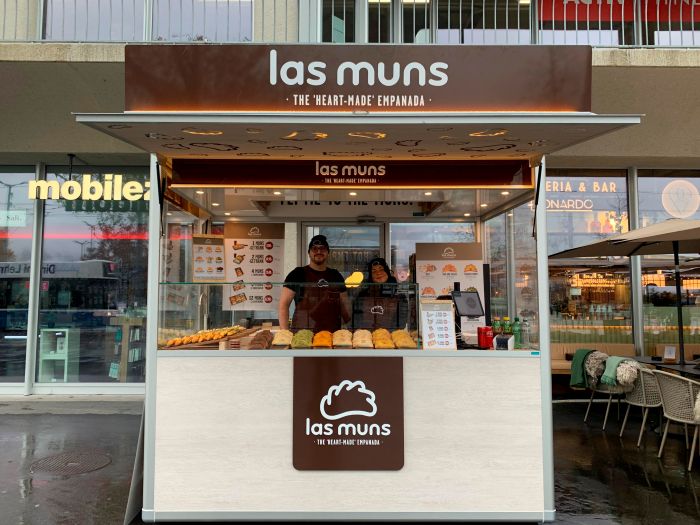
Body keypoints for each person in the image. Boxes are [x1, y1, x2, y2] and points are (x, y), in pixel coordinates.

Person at [278, 235, 351, 331]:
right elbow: (283, 305)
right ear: (309, 253)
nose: (319, 251)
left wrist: (347, 326)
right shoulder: (297, 273)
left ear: (328, 253)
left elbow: (345, 306)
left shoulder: (335, 275)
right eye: (314, 249)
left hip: (331, 334)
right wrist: (284, 332)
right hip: (302, 334)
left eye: (322, 249)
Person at [352, 257, 407, 330]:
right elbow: (356, 320)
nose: (378, 273)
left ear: (387, 271)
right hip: (367, 335)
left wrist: (388, 333)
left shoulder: (398, 295)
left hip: (389, 335)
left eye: (381, 269)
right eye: (374, 271)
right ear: (370, 275)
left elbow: (401, 322)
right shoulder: (363, 295)